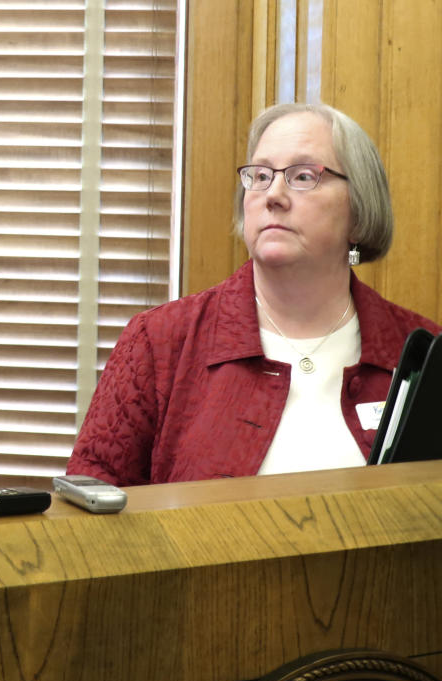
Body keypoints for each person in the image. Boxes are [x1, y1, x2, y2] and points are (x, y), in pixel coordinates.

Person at [67, 102, 440, 487]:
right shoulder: (160, 342)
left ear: (359, 213)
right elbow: (90, 504)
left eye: (303, 176)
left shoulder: (426, 355)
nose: (273, 194)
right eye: (260, 175)